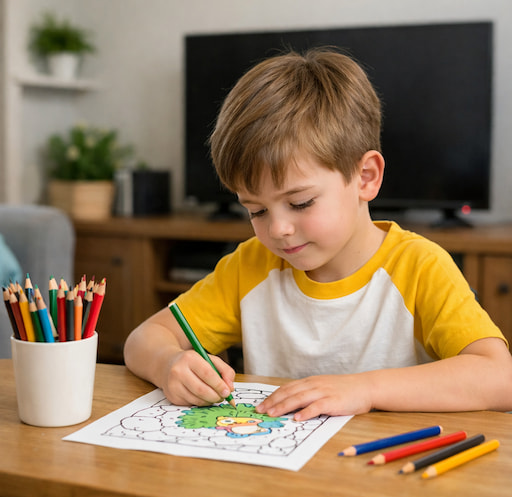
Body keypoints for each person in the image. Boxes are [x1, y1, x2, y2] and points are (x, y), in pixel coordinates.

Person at [124, 48, 512, 421]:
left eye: (301, 203)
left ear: (365, 177)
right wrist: (168, 363)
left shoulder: (418, 267)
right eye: (256, 210)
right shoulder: (250, 267)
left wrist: (365, 389)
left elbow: (499, 378)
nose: (277, 229)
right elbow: (144, 338)